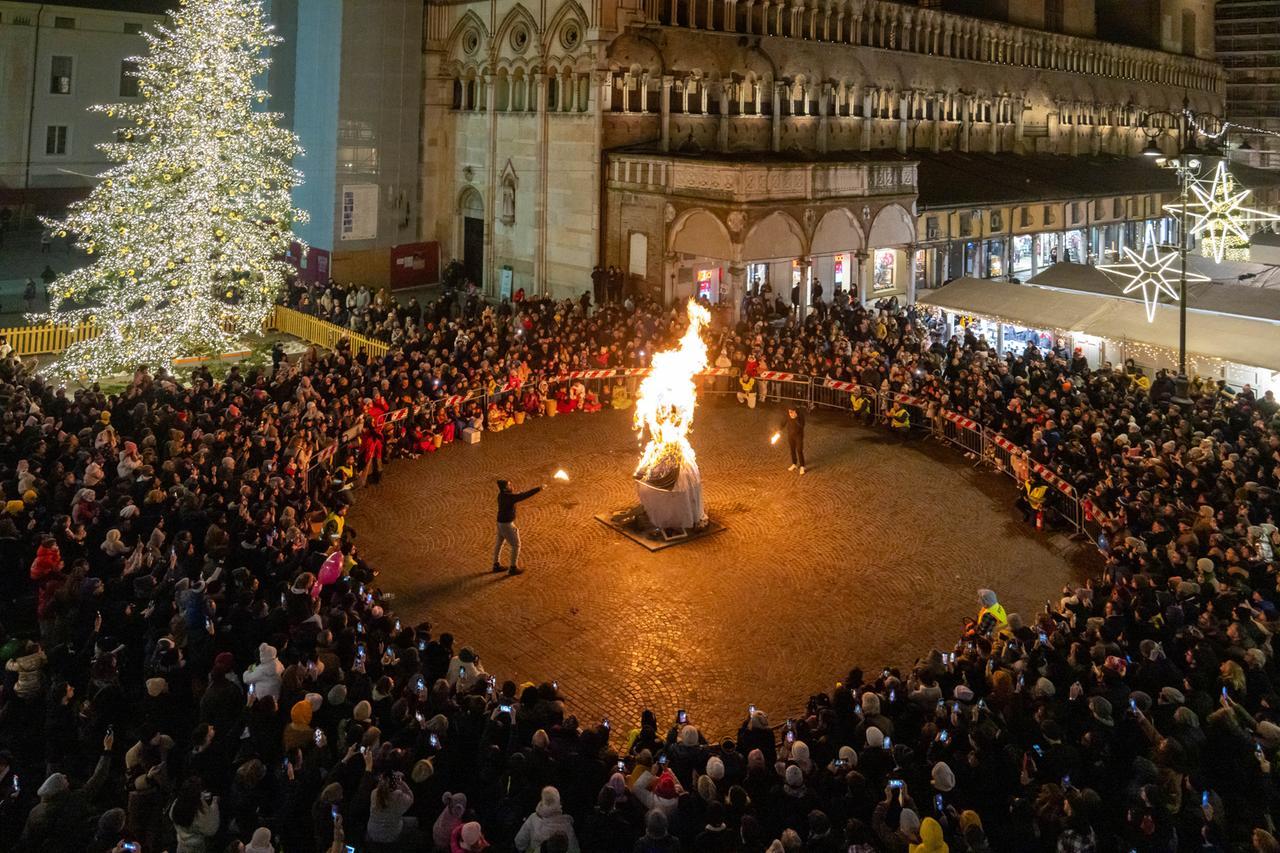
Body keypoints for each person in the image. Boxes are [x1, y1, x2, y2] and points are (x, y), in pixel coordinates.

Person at [493, 479, 543, 575]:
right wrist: (539, 488)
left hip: (500, 523)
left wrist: (518, 494)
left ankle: (496, 565)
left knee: (499, 543)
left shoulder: (501, 495)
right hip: (507, 525)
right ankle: (513, 568)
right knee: (516, 545)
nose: (511, 485)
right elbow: (523, 496)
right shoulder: (509, 497)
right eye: (509, 485)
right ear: (505, 488)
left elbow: (517, 496)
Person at [781, 407, 806, 475]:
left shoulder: (800, 416)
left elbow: (802, 425)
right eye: (789, 412)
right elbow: (783, 423)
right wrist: (778, 429)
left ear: (795, 412)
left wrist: (796, 418)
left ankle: (802, 466)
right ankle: (794, 464)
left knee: (799, 450)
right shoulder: (788, 416)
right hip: (790, 436)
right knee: (792, 450)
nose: (790, 414)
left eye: (791, 412)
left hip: (798, 436)